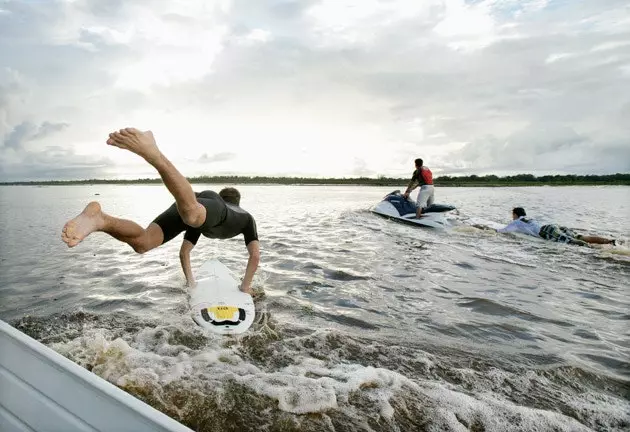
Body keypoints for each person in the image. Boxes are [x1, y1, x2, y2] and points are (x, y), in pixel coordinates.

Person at [61, 128, 260, 294]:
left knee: (143, 243)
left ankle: (101, 220)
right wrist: (245, 288)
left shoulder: (200, 224)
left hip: (194, 204)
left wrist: (192, 284)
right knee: (192, 213)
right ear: (237, 202)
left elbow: (184, 253)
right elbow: (255, 256)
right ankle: (154, 155)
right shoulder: (244, 217)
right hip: (204, 205)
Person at [490, 207, 616, 247]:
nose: (512, 217)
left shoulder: (516, 222)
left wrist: (484, 229)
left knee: (573, 242)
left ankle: (596, 250)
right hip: (553, 226)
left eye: (512, 215)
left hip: (546, 231)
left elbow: (502, 231)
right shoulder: (530, 219)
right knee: (582, 236)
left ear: (515, 215)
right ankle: (609, 242)